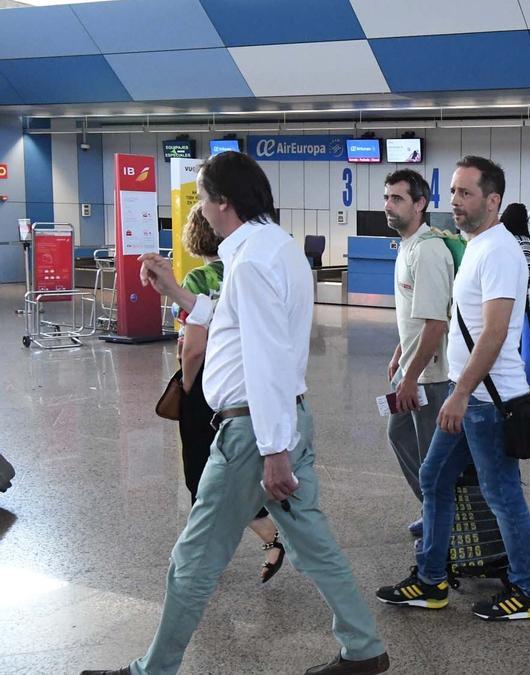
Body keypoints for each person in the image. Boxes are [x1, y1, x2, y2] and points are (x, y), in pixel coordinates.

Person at [91, 151, 389, 675]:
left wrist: (273, 452)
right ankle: (364, 647)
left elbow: (267, 359)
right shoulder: (275, 248)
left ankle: (153, 670)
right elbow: (237, 325)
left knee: (193, 560)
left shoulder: (250, 262)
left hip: (253, 434)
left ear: (223, 201)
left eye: (203, 199)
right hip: (283, 422)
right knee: (312, 543)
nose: (200, 210)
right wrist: (178, 293)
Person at [377, 155, 530, 622]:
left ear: (493, 200)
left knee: (501, 492)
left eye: (465, 193)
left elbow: (492, 333)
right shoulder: (476, 246)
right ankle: (431, 581)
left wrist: (460, 392)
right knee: (434, 478)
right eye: (452, 191)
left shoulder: (498, 251)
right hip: (470, 394)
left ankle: (529, 591)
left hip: (488, 401)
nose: (455, 201)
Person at [174, 203, 283, 584]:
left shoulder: (198, 280)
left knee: (200, 473)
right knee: (236, 465)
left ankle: (204, 557)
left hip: (210, 384)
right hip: (250, 383)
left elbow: (193, 347)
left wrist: (187, 385)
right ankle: (269, 535)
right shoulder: (245, 269)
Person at [382, 169, 454, 542]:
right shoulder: (407, 246)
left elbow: (436, 324)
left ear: (420, 204)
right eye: (387, 198)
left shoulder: (428, 251)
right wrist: (399, 353)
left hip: (430, 376)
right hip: (411, 368)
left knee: (431, 457)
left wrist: (411, 377)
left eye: (397, 199)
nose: (388, 206)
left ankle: (442, 523)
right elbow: (416, 314)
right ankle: (432, 509)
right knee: (399, 435)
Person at [501, 202, 530, 292]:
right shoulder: (523, 241)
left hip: (496, 291)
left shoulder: (499, 238)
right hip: (516, 293)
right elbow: (527, 269)